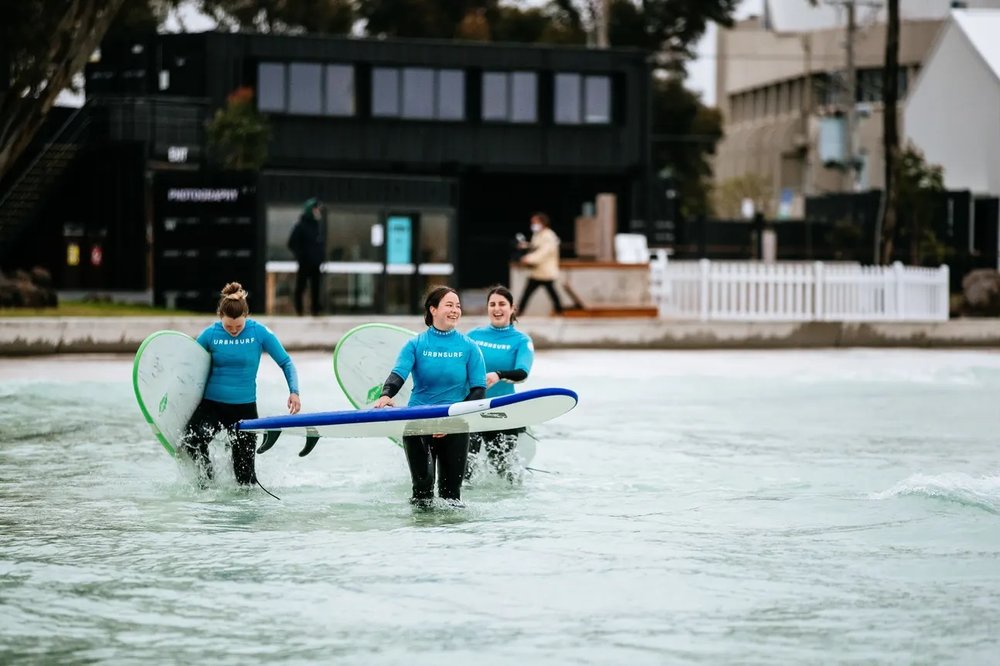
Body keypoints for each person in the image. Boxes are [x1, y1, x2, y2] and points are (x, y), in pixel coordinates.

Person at [373, 286, 487, 507]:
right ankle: (421, 538)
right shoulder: (416, 344)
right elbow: (398, 374)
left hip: (455, 425)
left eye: (458, 306)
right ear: (433, 309)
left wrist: (450, 421)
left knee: (451, 496)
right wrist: (386, 395)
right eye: (449, 305)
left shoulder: (470, 347)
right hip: (419, 422)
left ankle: (449, 539)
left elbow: (479, 390)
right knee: (422, 491)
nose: (455, 310)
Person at [182, 282, 301, 489]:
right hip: (213, 406)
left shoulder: (259, 332)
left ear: (246, 316)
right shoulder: (210, 334)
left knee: (245, 480)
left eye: (239, 326)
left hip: (244, 410)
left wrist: (294, 392)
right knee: (191, 442)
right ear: (220, 317)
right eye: (228, 326)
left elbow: (286, 362)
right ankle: (208, 483)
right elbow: (189, 366)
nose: (234, 330)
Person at [466, 285, 535, 482]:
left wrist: (498, 375)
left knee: (505, 473)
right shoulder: (473, 335)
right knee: (465, 469)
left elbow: (522, 373)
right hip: (471, 409)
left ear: (512, 308)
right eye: (492, 304)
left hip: (503, 412)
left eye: (502, 304)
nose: (497, 308)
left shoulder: (521, 340)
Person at [517, 212, 563, 315]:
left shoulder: (549, 236)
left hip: (545, 271)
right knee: (529, 292)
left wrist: (528, 258)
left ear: (542, 222)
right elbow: (535, 247)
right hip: (538, 271)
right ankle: (560, 311)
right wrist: (526, 246)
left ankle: (560, 311)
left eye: (535, 222)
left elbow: (543, 252)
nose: (533, 225)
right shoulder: (538, 235)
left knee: (550, 292)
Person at [287, 197, 325, 316]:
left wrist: (320, 257)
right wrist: (301, 256)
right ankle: (299, 310)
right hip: (304, 263)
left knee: (316, 287)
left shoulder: (317, 226)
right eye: (315, 209)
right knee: (301, 286)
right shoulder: (301, 226)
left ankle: (315, 309)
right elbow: (291, 243)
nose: (318, 212)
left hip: (315, 263)